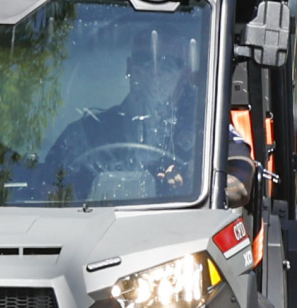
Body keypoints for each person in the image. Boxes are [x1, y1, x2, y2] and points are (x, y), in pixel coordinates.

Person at [43, 45, 203, 201]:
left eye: (169, 64)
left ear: (184, 76)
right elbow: (46, 192)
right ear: (130, 66)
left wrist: (193, 179)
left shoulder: (206, 137)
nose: (155, 72)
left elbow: (226, 185)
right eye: (145, 60)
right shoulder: (85, 134)